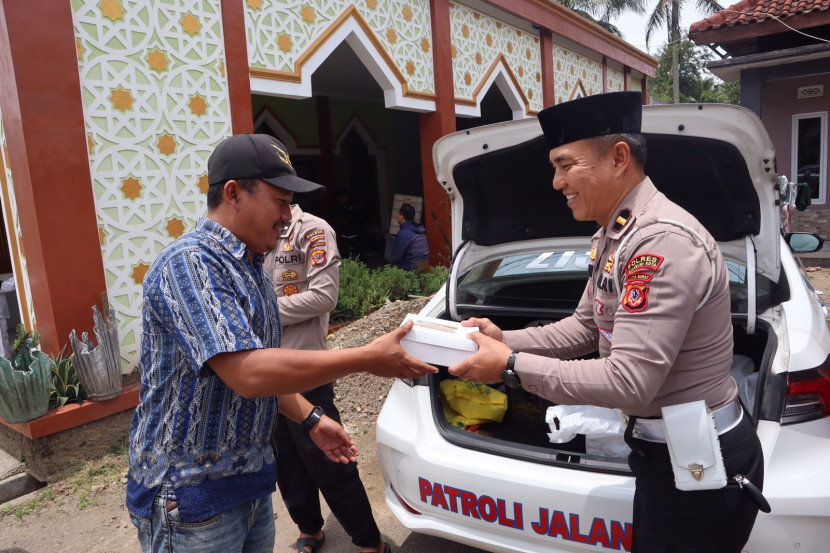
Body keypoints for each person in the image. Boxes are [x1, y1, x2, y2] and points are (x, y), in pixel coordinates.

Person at [448, 92, 764, 552]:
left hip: (699, 459)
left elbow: (631, 380)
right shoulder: (616, 235)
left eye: (565, 165)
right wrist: (500, 337)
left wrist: (511, 365)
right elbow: (585, 328)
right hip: (661, 451)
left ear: (619, 158)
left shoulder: (661, 243)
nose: (556, 182)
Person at [126, 133, 435, 553]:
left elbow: (256, 370)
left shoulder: (250, 265)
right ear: (234, 194)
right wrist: (366, 357)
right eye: (280, 201)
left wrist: (310, 417)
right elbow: (249, 373)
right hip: (190, 502)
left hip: (247, 491)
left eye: (291, 204)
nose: (288, 215)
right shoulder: (191, 263)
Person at [265, 204, 388, 553]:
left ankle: (370, 542)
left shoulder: (312, 230)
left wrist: (260, 312)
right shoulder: (255, 236)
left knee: (329, 460)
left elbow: (324, 296)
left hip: (307, 368)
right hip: (267, 371)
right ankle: (310, 529)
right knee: (286, 462)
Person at [388, 203, 429, 270]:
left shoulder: (404, 233)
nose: (397, 216)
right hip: (422, 268)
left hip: (410, 270)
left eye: (398, 214)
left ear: (402, 217)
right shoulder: (419, 229)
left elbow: (395, 258)